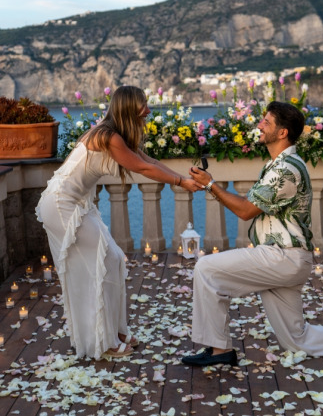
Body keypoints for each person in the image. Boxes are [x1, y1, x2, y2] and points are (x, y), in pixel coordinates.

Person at [36, 85, 201, 360]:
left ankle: (115, 332)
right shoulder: (108, 136)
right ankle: (105, 341)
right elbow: (142, 168)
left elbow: (149, 160)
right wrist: (181, 182)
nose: (147, 111)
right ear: (129, 108)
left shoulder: (114, 135)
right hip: (61, 206)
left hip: (75, 204)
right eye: (143, 105)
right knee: (103, 262)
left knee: (114, 260)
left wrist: (184, 179)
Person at [182, 101, 323, 367]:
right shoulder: (276, 165)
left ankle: (219, 351)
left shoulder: (286, 170)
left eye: (266, 122)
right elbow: (247, 205)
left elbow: (246, 210)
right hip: (288, 260)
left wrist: (211, 185)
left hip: (282, 257)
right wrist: (213, 186)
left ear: (283, 132)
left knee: (206, 268)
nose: (259, 125)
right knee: (297, 340)